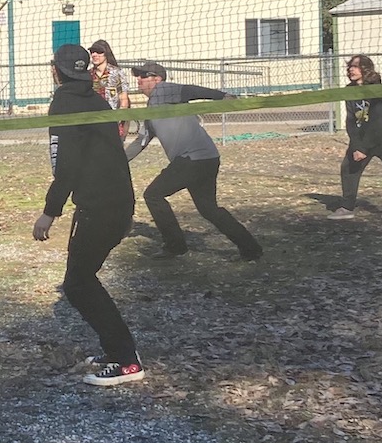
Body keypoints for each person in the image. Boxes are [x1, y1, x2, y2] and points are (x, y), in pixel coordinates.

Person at [34, 43, 143, 386]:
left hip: (102, 205)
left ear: (56, 71)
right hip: (115, 200)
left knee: (78, 284)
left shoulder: (64, 103)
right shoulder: (93, 97)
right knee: (82, 279)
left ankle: (127, 361)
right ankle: (117, 350)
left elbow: (66, 166)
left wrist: (49, 213)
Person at [126, 61, 262, 261]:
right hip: (206, 158)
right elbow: (142, 140)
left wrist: (221, 96)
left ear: (157, 79)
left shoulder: (163, 90)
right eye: (138, 76)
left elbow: (190, 91)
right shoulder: (151, 107)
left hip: (192, 159)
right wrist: (120, 160)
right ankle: (251, 249)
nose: (139, 80)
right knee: (209, 209)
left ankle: (175, 246)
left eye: (143, 76)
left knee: (153, 195)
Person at [329, 54, 382, 223]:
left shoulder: (378, 89)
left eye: (356, 66)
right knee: (348, 168)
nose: (351, 69)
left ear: (366, 70)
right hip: (362, 139)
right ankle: (347, 208)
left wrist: (363, 148)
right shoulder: (349, 90)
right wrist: (356, 145)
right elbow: (351, 121)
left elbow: (378, 122)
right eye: (350, 66)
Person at [88, 39, 130, 135]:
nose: (94, 55)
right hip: (93, 121)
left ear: (106, 53)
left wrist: (119, 119)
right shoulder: (88, 75)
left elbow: (123, 99)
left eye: (99, 52)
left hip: (112, 120)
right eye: (92, 52)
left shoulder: (116, 73)